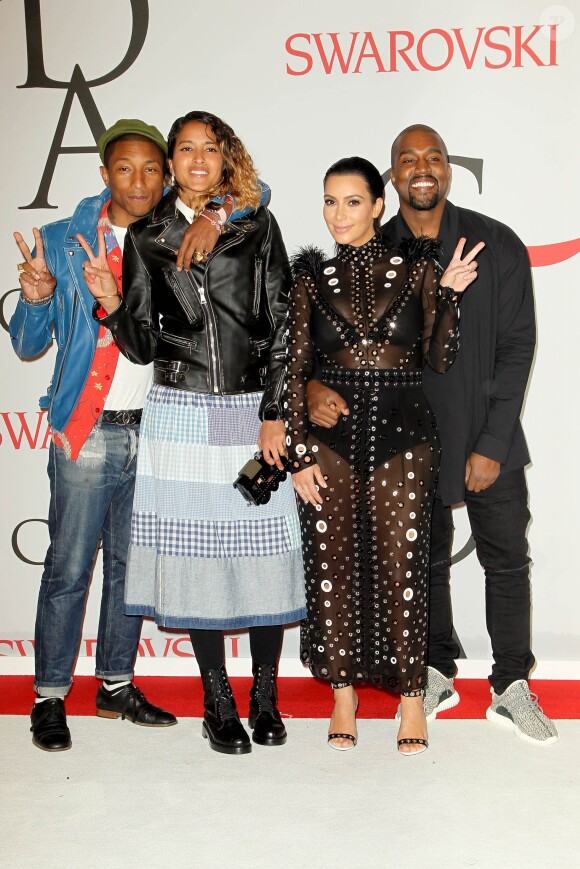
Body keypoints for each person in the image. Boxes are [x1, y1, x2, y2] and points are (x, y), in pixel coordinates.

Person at [307, 125, 559, 746]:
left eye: (434, 158)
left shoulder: (495, 243)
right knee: (423, 565)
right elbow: (331, 346)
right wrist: (312, 389)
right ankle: (438, 669)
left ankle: (510, 684)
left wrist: (493, 442)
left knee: (505, 562)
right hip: (405, 444)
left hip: (485, 437)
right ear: (391, 179)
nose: (422, 168)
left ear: (449, 170)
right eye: (407, 159)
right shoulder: (373, 248)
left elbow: (517, 346)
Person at [78, 110, 306, 756]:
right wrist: (113, 302)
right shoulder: (147, 239)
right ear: (172, 161)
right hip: (179, 415)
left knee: (265, 556)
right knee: (198, 562)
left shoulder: (255, 221)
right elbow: (144, 344)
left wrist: (275, 412)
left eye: (211, 148)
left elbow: (284, 321)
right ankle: (218, 702)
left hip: (250, 414)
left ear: (225, 157)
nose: (199, 160)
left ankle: (266, 695)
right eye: (187, 149)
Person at [286, 156, 482, 754]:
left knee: (405, 570)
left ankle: (412, 700)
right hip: (332, 442)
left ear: (377, 206)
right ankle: (342, 694)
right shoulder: (310, 279)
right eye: (328, 201)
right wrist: (296, 455)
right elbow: (293, 370)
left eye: (351, 201)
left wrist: (448, 296)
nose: (337, 214)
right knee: (331, 567)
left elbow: (440, 359)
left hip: (405, 436)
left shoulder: (419, 268)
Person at [9, 119, 178, 751]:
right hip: (89, 433)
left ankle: (115, 686)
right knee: (69, 569)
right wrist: (34, 298)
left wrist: (205, 202)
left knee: (131, 573)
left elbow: (255, 192)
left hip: (157, 434)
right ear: (104, 173)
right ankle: (50, 696)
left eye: (152, 169)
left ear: (166, 176)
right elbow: (28, 346)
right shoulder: (62, 241)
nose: (139, 181)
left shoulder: (177, 239)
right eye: (125, 168)